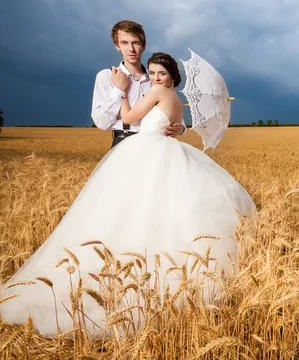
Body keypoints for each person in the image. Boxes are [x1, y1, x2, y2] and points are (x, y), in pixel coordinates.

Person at [0, 53, 256, 337]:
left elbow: (128, 118)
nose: (157, 78)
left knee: (124, 209)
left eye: (162, 73)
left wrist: (122, 93)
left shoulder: (158, 91)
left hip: (145, 150)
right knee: (159, 210)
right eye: (154, 73)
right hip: (166, 151)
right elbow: (177, 128)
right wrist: (177, 127)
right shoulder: (171, 96)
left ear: (172, 75)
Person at [91, 20, 185, 147]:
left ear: (143, 46)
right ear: (117, 46)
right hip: (123, 142)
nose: (131, 49)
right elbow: (101, 123)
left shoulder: (156, 79)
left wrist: (181, 129)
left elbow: (170, 109)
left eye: (136, 43)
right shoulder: (106, 76)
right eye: (124, 43)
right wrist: (118, 90)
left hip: (155, 144)